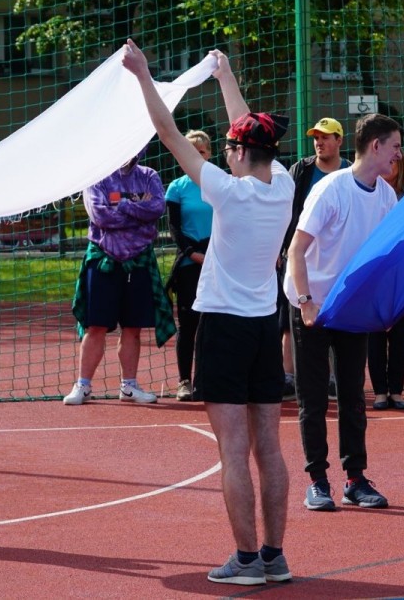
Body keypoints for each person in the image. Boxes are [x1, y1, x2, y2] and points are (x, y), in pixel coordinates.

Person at [123, 40, 294, 586]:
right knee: (269, 447)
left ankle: (245, 562)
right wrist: (225, 74)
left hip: (222, 328)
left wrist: (143, 74)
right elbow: (249, 125)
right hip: (265, 327)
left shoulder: (226, 191)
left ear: (241, 155)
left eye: (228, 148)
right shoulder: (284, 183)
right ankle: (273, 555)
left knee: (234, 452)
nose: (223, 153)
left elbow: (168, 133)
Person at [284, 112, 402, 512]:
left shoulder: (386, 196)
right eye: (395, 147)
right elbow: (296, 250)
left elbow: (386, 259)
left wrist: (384, 304)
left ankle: (355, 478)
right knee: (313, 397)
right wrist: (305, 303)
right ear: (375, 146)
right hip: (311, 303)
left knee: (352, 395)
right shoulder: (331, 190)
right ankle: (318, 481)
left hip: (350, 306)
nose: (398, 156)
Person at [63, 147, 173, 405]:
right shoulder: (97, 178)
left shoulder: (149, 176)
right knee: (96, 326)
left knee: (133, 328)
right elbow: (100, 215)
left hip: (139, 262)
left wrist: (121, 204)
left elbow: (157, 208)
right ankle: (83, 385)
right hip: (104, 260)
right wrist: (136, 206)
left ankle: (129, 386)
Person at [279, 117, 351, 396]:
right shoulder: (302, 169)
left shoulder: (348, 171)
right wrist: (282, 247)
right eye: (316, 138)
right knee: (291, 316)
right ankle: (288, 375)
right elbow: (287, 210)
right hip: (301, 254)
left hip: (336, 257)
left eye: (326, 137)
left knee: (334, 316)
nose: (319, 142)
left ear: (339, 140)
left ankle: (332, 377)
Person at [164, 130, 215, 401]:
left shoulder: (221, 181)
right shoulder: (177, 187)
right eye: (191, 152)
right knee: (189, 324)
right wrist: (193, 253)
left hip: (217, 263)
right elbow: (173, 228)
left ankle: (207, 379)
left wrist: (214, 254)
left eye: (202, 152)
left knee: (215, 323)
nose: (197, 157)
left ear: (209, 154)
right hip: (189, 264)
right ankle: (184, 381)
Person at [367, 151, 404, 411]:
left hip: (402, 273)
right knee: (375, 333)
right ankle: (380, 392)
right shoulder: (369, 191)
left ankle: (396, 390)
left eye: (394, 161)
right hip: (374, 272)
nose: (389, 166)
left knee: (399, 333)